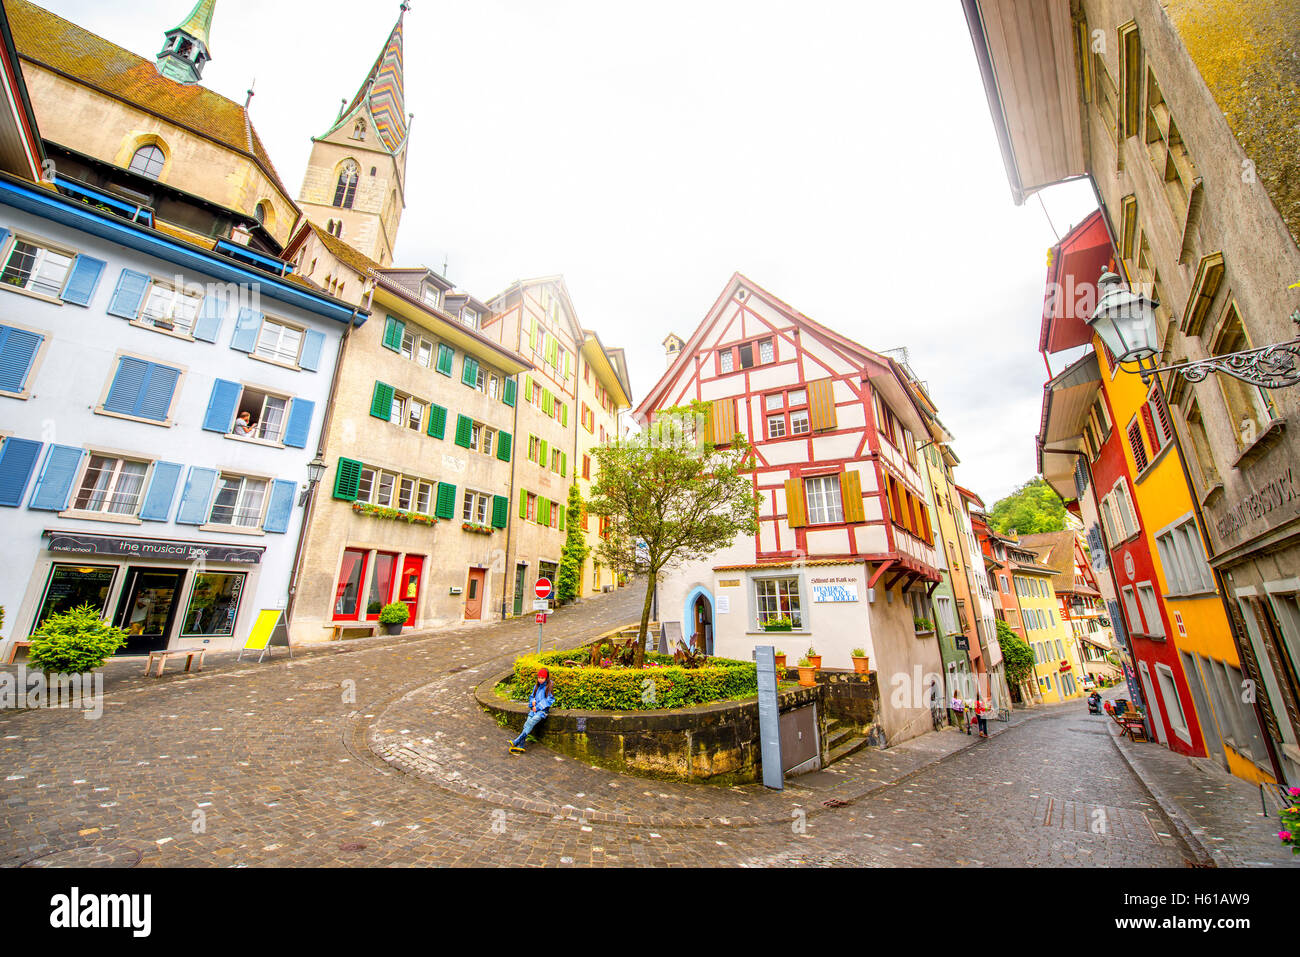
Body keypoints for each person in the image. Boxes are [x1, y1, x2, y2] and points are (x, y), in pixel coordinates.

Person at [510, 668, 554, 753]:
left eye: (542, 678)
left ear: (546, 678)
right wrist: (532, 702)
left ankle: (517, 740)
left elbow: (549, 701)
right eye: (539, 677)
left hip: (542, 712)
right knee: (527, 723)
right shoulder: (536, 687)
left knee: (531, 722)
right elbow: (531, 697)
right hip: (533, 711)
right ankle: (521, 744)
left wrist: (537, 707)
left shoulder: (548, 687)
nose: (540, 680)